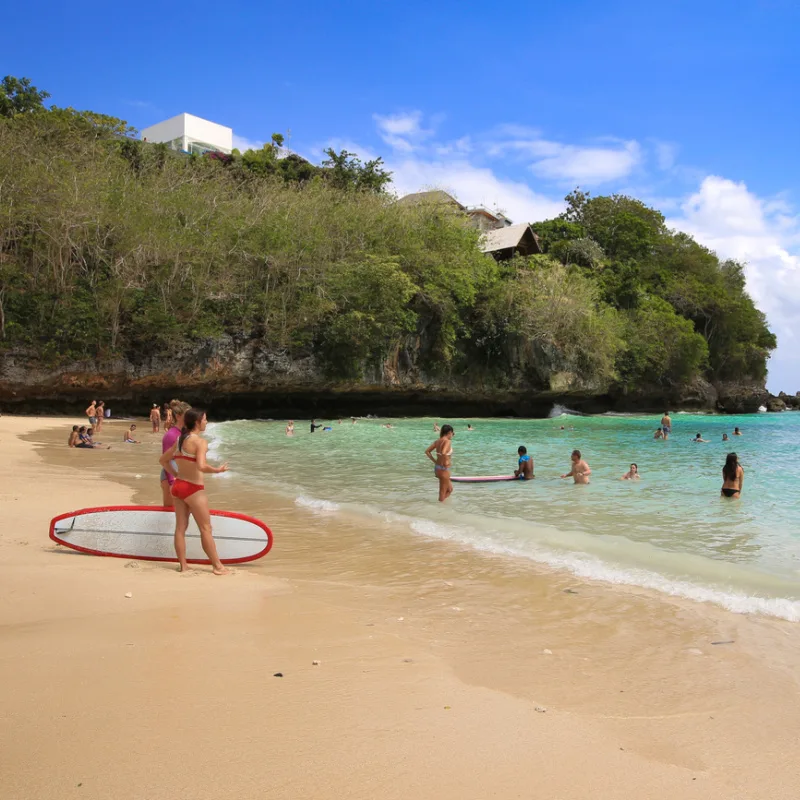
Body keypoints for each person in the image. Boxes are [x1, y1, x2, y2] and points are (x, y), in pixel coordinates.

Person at [159, 408, 229, 574]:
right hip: (193, 489)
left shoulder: (179, 440)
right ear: (197, 422)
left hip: (178, 486)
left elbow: (163, 460)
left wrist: (176, 474)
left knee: (180, 529)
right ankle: (218, 567)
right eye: (204, 419)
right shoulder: (200, 442)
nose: (206, 422)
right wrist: (217, 471)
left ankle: (183, 566)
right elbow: (201, 466)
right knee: (205, 529)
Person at [161, 401, 190, 507]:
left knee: (181, 513)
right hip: (170, 476)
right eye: (187, 415)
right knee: (170, 512)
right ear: (178, 416)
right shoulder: (171, 435)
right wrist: (171, 483)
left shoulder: (184, 433)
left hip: (180, 475)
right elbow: (166, 461)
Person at [425, 424, 454, 502]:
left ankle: (441, 507)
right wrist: (446, 462)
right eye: (453, 433)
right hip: (444, 469)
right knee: (442, 492)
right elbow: (444, 452)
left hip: (438, 468)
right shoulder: (447, 441)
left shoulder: (437, 441)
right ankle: (440, 509)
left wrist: (435, 461)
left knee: (450, 489)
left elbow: (427, 452)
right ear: (449, 432)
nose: (452, 435)